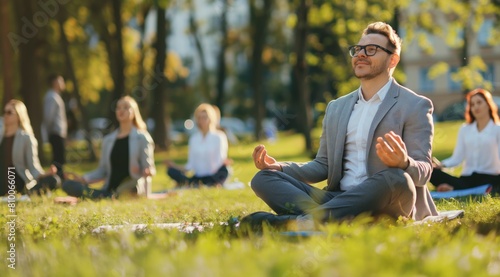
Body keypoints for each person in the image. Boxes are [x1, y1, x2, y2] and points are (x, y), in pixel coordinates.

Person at [242, 22, 438, 229]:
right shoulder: (337, 107)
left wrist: (404, 163)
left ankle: (304, 222)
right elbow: (323, 165)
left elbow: (424, 172)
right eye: (358, 49)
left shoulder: (415, 105)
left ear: (393, 59)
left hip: (386, 200)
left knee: (397, 179)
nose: (361, 54)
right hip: (336, 199)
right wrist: (280, 167)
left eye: (372, 49)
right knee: (264, 178)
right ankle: (319, 222)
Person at [62, 96, 155, 199]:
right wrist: (83, 178)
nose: (121, 110)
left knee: (127, 190)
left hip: (131, 188)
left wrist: (146, 170)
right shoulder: (108, 140)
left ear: (133, 112)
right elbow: (102, 170)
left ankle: (103, 196)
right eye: (118, 108)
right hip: (108, 190)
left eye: (125, 107)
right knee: (68, 185)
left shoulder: (142, 137)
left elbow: (149, 168)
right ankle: (103, 196)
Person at [430, 88, 500, 194]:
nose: (475, 106)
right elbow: (457, 158)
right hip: (466, 179)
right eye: (472, 104)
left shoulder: (497, 129)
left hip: (490, 178)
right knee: (431, 171)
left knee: (495, 184)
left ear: (488, 104)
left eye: (479, 102)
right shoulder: (465, 129)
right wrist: (441, 165)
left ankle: (454, 189)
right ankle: (461, 189)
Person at [1, 100, 60, 196]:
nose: (5, 115)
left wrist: (45, 174)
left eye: (9, 112)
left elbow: (33, 167)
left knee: (54, 180)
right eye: (4, 112)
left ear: (19, 116)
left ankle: (25, 194)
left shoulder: (27, 138)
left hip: (17, 181)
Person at [166, 103, 229, 188]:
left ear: (211, 118)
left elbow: (221, 160)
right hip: (197, 177)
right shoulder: (194, 138)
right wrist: (175, 167)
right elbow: (190, 165)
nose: (202, 120)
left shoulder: (219, 137)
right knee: (171, 171)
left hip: (214, 175)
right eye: (199, 118)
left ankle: (211, 183)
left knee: (224, 171)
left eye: (204, 117)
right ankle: (195, 183)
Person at [42, 74, 67, 180]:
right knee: (58, 158)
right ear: (55, 82)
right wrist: (48, 131)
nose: (63, 83)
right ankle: (56, 179)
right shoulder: (51, 96)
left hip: (58, 132)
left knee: (60, 158)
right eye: (61, 81)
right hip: (55, 132)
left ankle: (58, 179)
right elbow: (48, 116)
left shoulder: (55, 96)